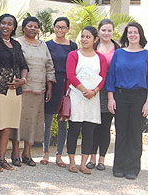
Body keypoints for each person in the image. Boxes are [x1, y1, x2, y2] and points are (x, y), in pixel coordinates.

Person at [10, 16, 55, 167]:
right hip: (21, 89)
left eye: (35, 27)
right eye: (29, 26)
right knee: (18, 122)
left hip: (38, 90)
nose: (32, 29)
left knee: (33, 122)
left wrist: (49, 87)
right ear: (23, 28)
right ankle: (15, 152)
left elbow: (49, 66)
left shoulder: (43, 45)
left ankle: (27, 153)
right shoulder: (17, 42)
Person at [0, 14, 28, 172]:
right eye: (3, 23)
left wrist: (23, 80)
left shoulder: (16, 45)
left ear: (14, 27)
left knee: (8, 125)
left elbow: (24, 65)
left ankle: (2, 158)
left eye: (10, 24)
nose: (6, 26)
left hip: (14, 91)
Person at [107, 22, 148, 180]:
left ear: (140, 35)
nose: (132, 35)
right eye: (130, 32)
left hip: (139, 97)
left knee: (135, 133)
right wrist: (111, 98)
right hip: (120, 96)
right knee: (121, 132)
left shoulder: (146, 54)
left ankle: (132, 167)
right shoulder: (119, 53)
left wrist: (147, 103)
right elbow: (111, 76)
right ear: (126, 35)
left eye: (135, 32)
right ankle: (119, 166)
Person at [66, 26, 107, 174]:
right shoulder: (74, 54)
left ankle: (83, 163)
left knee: (89, 131)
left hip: (92, 98)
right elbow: (70, 74)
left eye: (88, 37)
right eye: (83, 36)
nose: (84, 39)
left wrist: (94, 91)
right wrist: (84, 90)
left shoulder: (100, 58)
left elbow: (102, 77)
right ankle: (71, 162)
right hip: (77, 96)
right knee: (74, 130)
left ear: (95, 39)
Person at [41, 17, 77, 167]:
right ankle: (45, 153)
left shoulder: (73, 46)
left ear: (68, 29)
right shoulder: (47, 45)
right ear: (54, 28)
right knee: (47, 122)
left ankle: (59, 155)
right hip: (51, 83)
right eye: (58, 27)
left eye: (63, 27)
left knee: (63, 121)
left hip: (66, 85)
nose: (60, 30)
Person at [86, 19, 119, 171]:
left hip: (109, 91)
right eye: (103, 30)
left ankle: (101, 159)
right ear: (98, 31)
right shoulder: (92, 46)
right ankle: (91, 157)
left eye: (109, 30)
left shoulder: (118, 49)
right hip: (92, 89)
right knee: (92, 125)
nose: (106, 33)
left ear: (113, 32)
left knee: (105, 126)